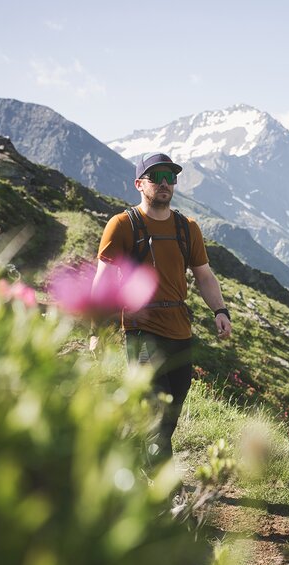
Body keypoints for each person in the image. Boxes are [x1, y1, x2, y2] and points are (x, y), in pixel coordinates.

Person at [91, 152, 232, 460]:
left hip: (180, 329)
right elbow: (103, 280)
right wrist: (95, 330)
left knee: (172, 408)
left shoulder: (187, 228)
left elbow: (204, 276)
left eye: (171, 177)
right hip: (142, 329)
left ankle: (133, 454)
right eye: (157, 177)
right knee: (157, 407)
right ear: (139, 184)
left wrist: (220, 311)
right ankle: (164, 481)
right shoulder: (122, 225)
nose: (165, 183)